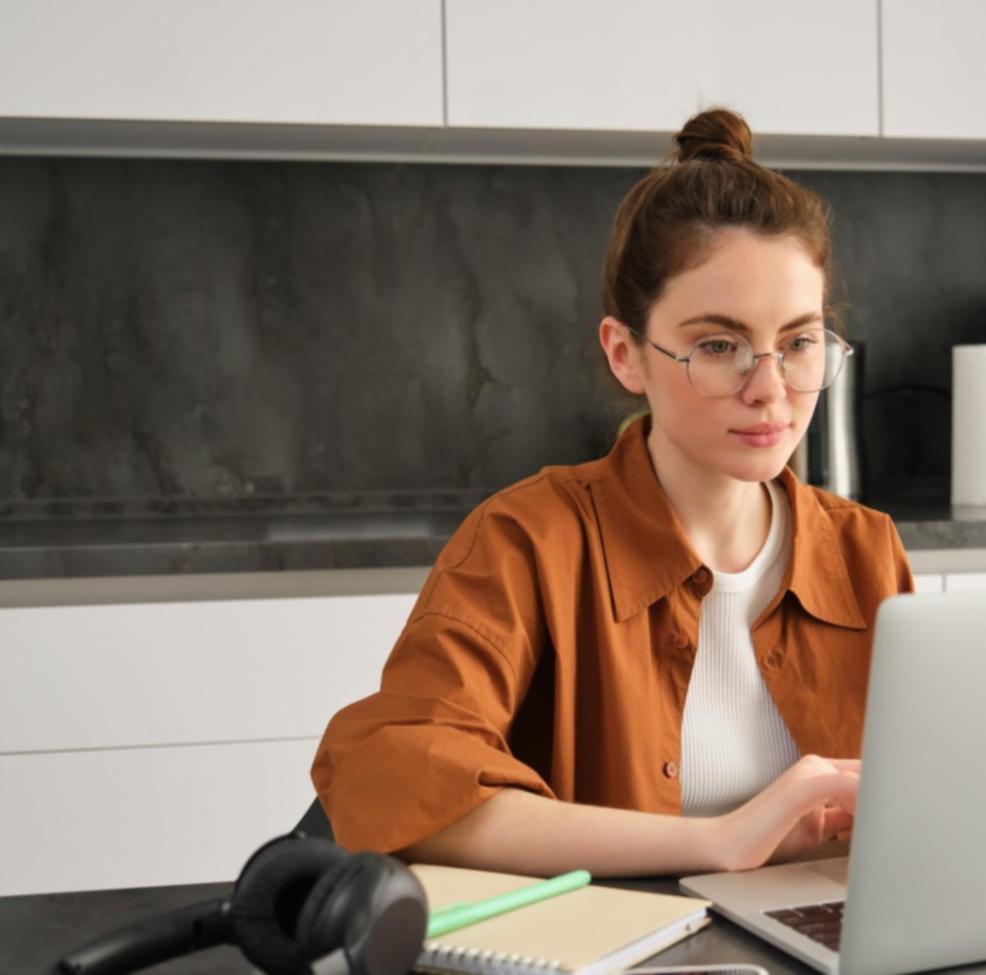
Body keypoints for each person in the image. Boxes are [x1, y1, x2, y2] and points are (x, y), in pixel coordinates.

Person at [311, 107, 913, 878]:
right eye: (718, 344)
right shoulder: (526, 540)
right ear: (626, 353)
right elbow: (396, 775)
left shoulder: (866, 549)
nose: (770, 389)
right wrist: (717, 841)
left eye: (797, 342)